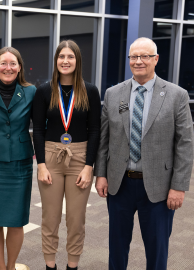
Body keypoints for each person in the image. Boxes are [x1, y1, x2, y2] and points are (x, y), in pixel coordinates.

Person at [94, 37, 194, 270]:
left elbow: (185, 144)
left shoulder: (176, 95)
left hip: (160, 187)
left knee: (157, 248)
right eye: (134, 57)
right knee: (117, 247)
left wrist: (179, 186)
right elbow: (104, 140)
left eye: (145, 56)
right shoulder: (112, 93)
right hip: (120, 184)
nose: (138, 61)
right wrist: (101, 174)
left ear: (156, 59)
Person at [32, 40, 101, 270]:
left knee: (75, 219)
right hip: (51, 157)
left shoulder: (89, 91)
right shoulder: (44, 90)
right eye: (61, 57)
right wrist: (41, 164)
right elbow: (39, 130)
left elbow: (95, 130)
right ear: (56, 61)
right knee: (50, 219)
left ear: (77, 60)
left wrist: (88, 165)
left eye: (70, 57)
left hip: (79, 159)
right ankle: (50, 266)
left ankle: (73, 266)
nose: (65, 61)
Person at [0, 47, 36, 270]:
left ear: (19, 67)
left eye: (13, 63)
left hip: (21, 162)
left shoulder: (30, 91)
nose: (8, 68)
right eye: (3, 63)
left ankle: (11, 266)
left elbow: (41, 124)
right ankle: (0, 266)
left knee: (17, 218)